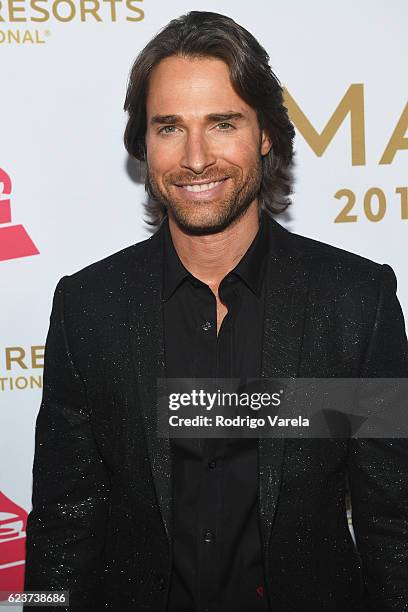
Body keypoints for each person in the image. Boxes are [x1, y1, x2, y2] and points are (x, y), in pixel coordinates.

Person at [24, 10, 408, 612]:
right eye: (169, 127)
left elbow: (395, 528)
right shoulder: (88, 309)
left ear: (265, 135)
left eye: (222, 123)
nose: (195, 157)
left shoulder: (355, 304)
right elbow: (59, 535)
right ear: (143, 143)